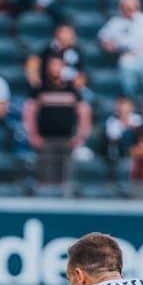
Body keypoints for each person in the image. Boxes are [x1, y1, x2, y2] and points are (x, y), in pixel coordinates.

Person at [23, 55, 91, 191]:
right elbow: (29, 114)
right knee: (45, 180)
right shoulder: (39, 90)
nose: (55, 69)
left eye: (58, 65)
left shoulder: (73, 90)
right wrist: (33, 136)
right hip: (45, 141)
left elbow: (84, 114)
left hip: (67, 141)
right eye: (52, 65)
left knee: (66, 181)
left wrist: (79, 137)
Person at [26, 20, 86, 90]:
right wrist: (35, 79)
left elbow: (81, 73)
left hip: (70, 89)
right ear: (57, 33)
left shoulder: (76, 51)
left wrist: (79, 81)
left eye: (71, 33)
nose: (70, 35)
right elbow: (33, 61)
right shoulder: (47, 50)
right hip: (46, 88)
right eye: (66, 32)